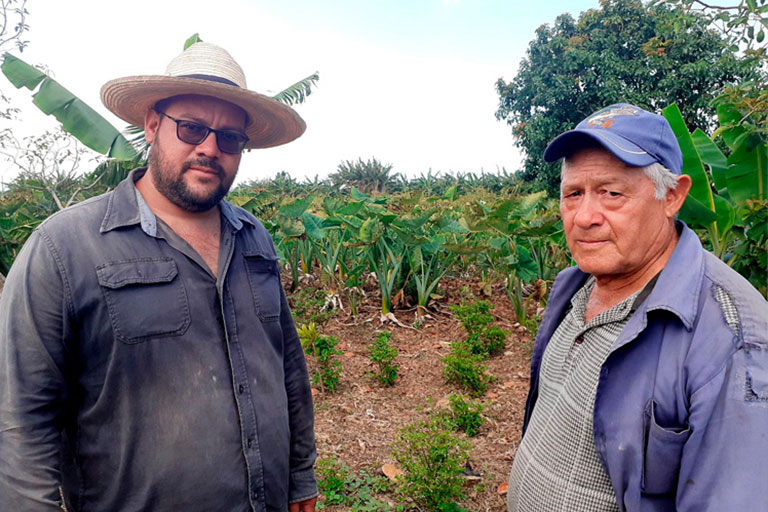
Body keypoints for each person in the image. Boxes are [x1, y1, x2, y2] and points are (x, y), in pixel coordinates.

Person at [0, 42, 318, 512]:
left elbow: (286, 366)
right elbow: (21, 419)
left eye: (230, 138)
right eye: (191, 128)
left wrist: (300, 477)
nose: (210, 148)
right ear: (152, 125)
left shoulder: (254, 238)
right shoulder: (65, 248)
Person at [506, 103, 768, 512]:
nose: (584, 217)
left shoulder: (731, 338)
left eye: (611, 193)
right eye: (573, 194)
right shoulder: (571, 285)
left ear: (673, 197)